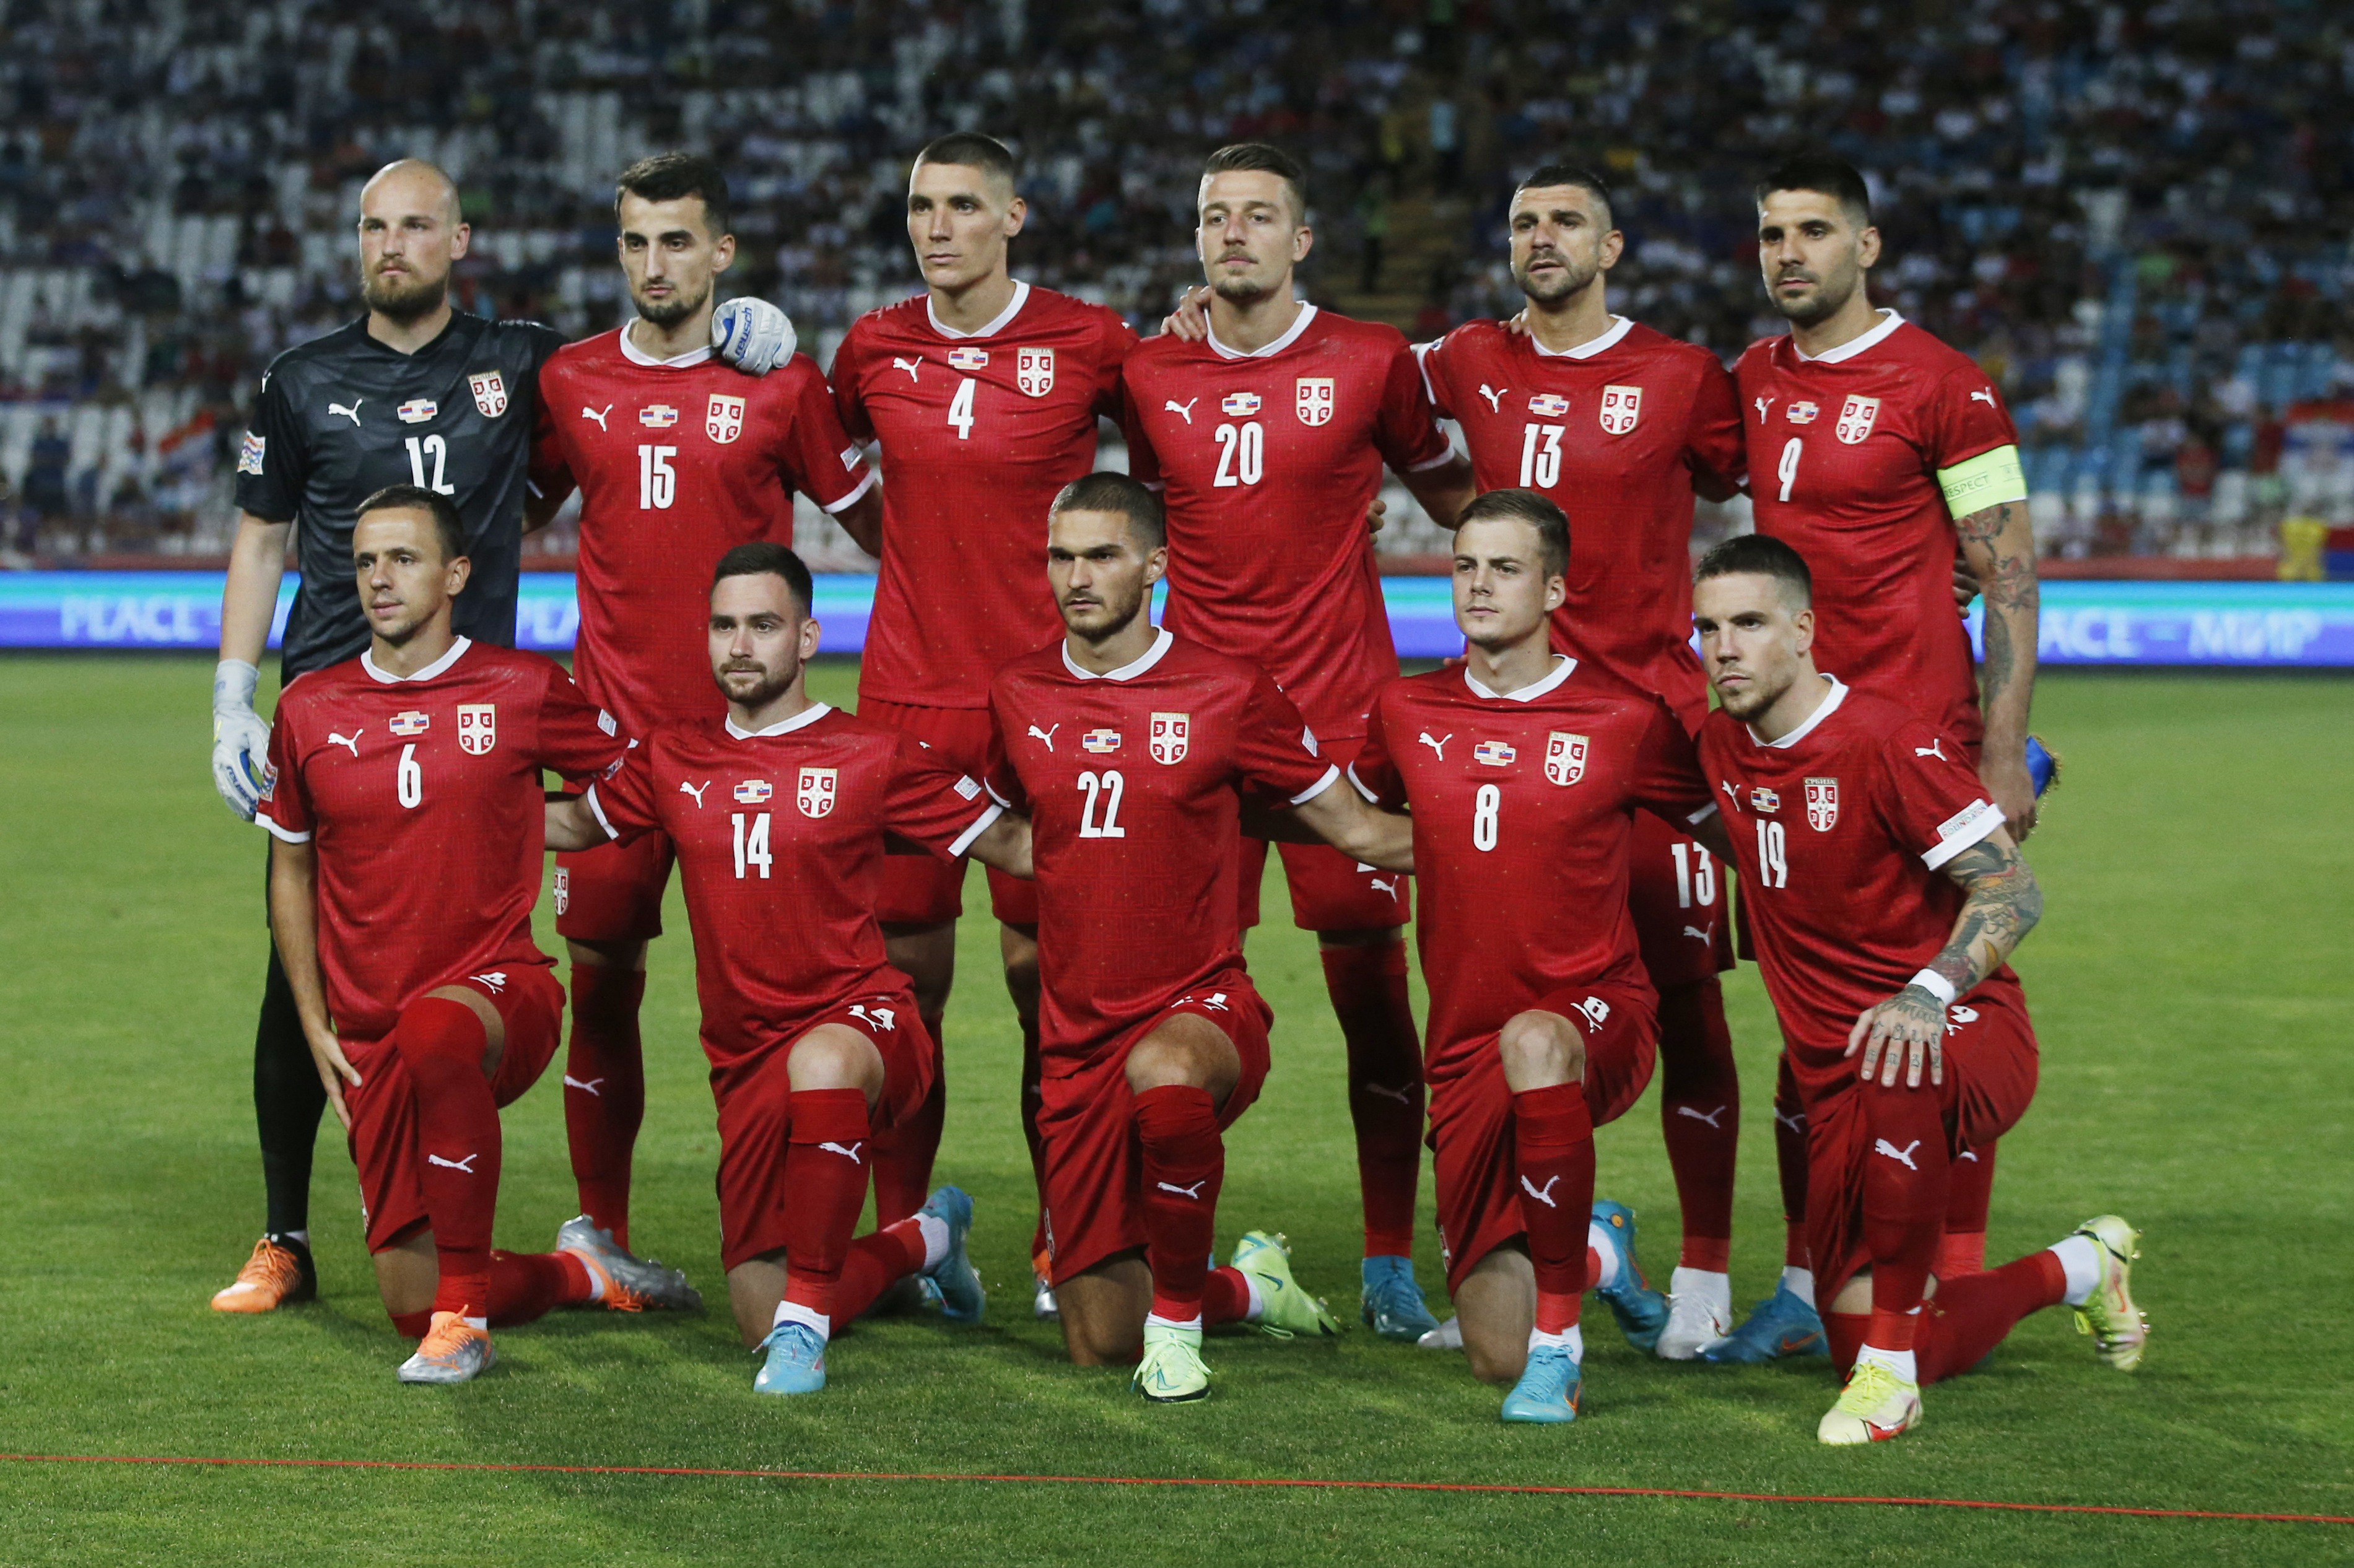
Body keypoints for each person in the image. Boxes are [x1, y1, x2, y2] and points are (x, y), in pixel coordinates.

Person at [205, 159, 570, 1314]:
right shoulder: (301, 378)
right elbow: (263, 539)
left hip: (474, 719)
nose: (391, 244)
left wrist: (740, 329)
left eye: (415, 225)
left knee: (461, 965)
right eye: (373, 226)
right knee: (296, 969)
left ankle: (465, 1217)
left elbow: (620, 404)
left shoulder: (524, 360)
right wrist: (231, 692)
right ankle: (283, 1236)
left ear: (460, 239)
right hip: (331, 710)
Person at [1123, 143, 1475, 1339]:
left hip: (1340, 727)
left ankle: (1385, 1257)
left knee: (1375, 1002)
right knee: (1164, 993)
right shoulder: (1148, 367)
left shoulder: (1373, 362)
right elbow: (1133, 523)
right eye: (1215, 215)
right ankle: (1140, 1225)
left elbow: (1467, 509)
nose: (1234, 235)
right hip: (1198, 737)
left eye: (1259, 216)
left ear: (1302, 238)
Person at [1689, 534, 2144, 1444]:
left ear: (1804, 630)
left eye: (1748, 623)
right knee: (1856, 1332)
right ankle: (2080, 1268)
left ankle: (1889, 1383)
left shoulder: (1885, 740)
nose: (1724, 647)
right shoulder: (1716, 746)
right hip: (1838, 1074)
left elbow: (2012, 888)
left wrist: (1927, 990)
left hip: (1960, 1032)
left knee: (1896, 1058)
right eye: (1706, 628)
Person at [545, 542, 1021, 1395]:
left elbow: (1017, 845)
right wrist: (444, 797)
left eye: (762, 626)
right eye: (724, 626)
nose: (739, 645)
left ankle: (808, 1334)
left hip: (864, 1023)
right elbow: (576, 827)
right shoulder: (670, 759)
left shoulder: (871, 755)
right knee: (757, 1315)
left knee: (824, 1062)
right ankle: (926, 1241)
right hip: (744, 1054)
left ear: (806, 637)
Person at [1412, 165, 1752, 1358]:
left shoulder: (1679, 377)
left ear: (1613, 243)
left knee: (1686, 1002)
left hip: (1642, 736)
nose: (1539, 238)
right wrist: (1195, 312)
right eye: (1519, 221)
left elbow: (1774, 497)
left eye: (1563, 220)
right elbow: (1337, 379)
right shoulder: (1463, 357)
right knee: (1508, 1003)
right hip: (1506, 731)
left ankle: (1704, 1272)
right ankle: (1546, 1247)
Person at [983, 474, 1413, 1401]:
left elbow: (1356, 829)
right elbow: (1013, 834)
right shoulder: (1018, 691)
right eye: (1061, 557)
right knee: (1096, 1334)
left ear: (1156, 566)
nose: (1076, 577)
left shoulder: (1227, 689)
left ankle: (1177, 1333)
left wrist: (1522, 846)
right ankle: (1245, 1290)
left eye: (1101, 555)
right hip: (1075, 1039)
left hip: (1201, 1007)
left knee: (1167, 1073)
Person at [256, 487, 698, 1383]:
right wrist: (312, 1022)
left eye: (404, 559)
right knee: (404, 1301)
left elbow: (642, 773)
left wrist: (564, 824)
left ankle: (465, 1325)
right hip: (369, 1032)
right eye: (366, 561)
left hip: (499, 993)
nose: (380, 579)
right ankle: (582, 1275)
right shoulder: (310, 707)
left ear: (456, 574)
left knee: (437, 1029)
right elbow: (291, 869)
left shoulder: (523, 686)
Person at [528, 152, 879, 1258]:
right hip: (613, 746)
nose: (654, 262)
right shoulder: (571, 381)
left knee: (804, 1000)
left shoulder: (780, 382)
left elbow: (886, 527)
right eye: (635, 240)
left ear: (722, 253)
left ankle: (861, 1231)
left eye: (678, 241)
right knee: (604, 987)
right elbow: (493, 522)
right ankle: (604, 1235)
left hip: (757, 755)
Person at [1722, 154, 2046, 1347]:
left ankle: (1938, 1282)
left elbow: (2006, 570)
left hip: (1919, 752)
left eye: (1811, 230)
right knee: (1810, 1023)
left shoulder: (1951, 387)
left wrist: (2002, 755)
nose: (1787, 252)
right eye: (1769, 234)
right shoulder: (1748, 377)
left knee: (1935, 1001)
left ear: (1867, 245)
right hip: (1795, 748)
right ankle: (1809, 1290)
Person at [829, 134, 1139, 1307]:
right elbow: (830, 464)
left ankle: (1064, 1233)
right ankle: (907, 1237)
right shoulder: (872, 344)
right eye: (920, 205)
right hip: (907, 704)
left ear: (1015, 216)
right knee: (904, 986)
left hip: (1042, 711)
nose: (937, 225)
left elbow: (1174, 472)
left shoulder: (1091, 341)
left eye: (963, 205)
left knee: (1045, 981)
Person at [1348, 491, 1710, 1422]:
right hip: (1463, 1042)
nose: (1478, 585)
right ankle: (1594, 1256)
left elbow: (1732, 819)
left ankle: (1562, 1351)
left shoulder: (1623, 719)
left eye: (1504, 568)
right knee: (1486, 1354)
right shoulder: (1404, 709)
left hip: (1595, 1014)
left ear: (1554, 588)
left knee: (1536, 1040)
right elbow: (1372, 825)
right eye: (1465, 565)